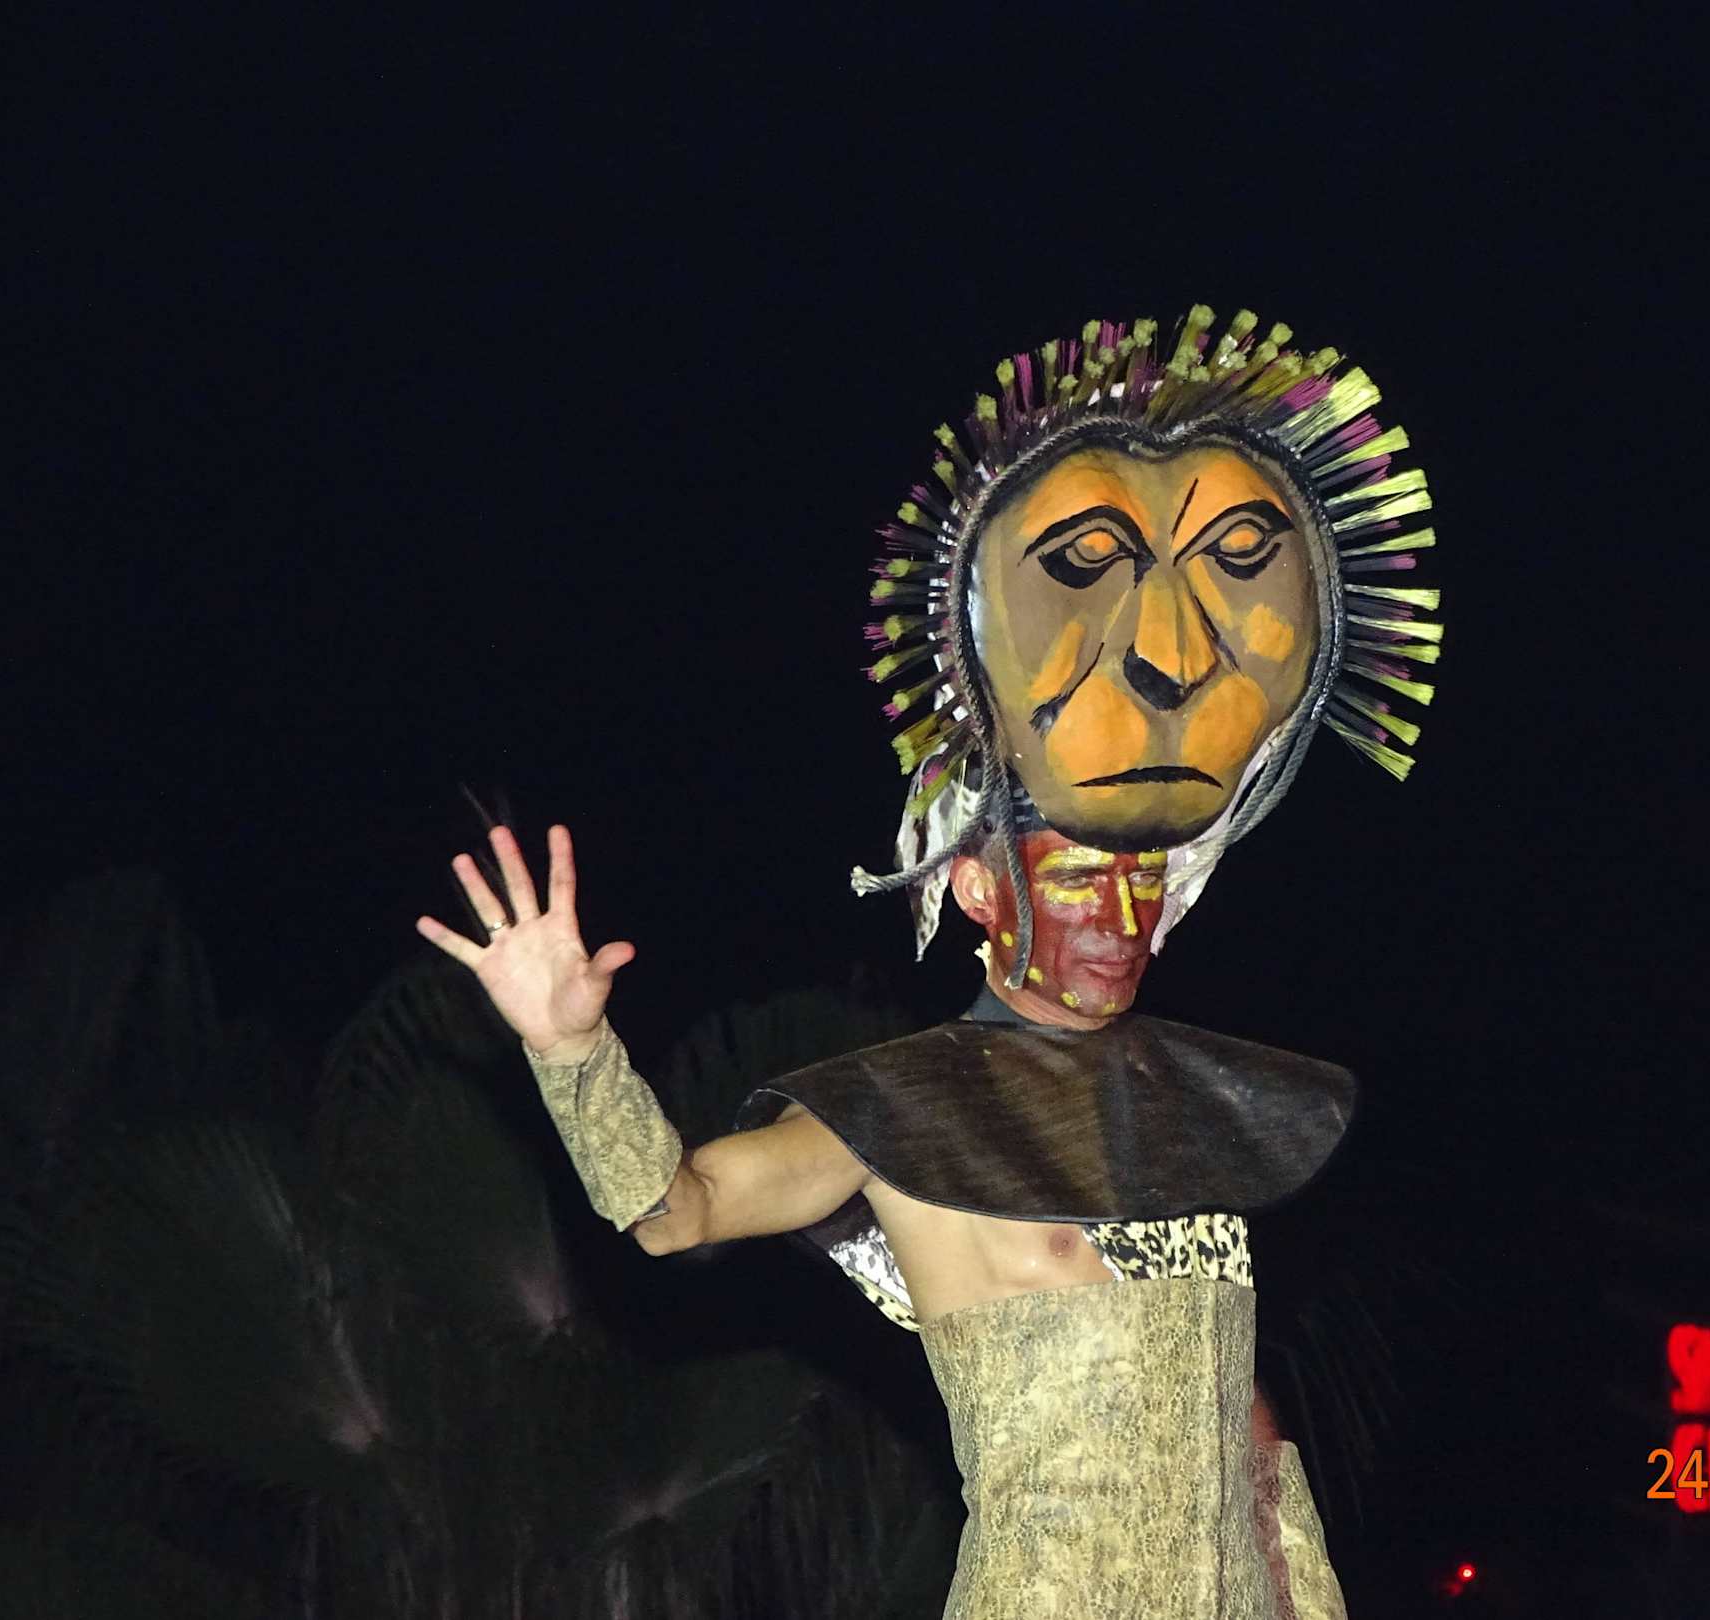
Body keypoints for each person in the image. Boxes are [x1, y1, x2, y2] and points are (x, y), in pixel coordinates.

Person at [417, 307, 1442, 1618]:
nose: (1115, 914)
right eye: (1072, 879)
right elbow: (677, 1211)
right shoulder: (903, 1109)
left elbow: (1248, 1439)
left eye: (1138, 882)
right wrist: (570, 1046)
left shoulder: (1190, 1109)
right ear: (976, 888)